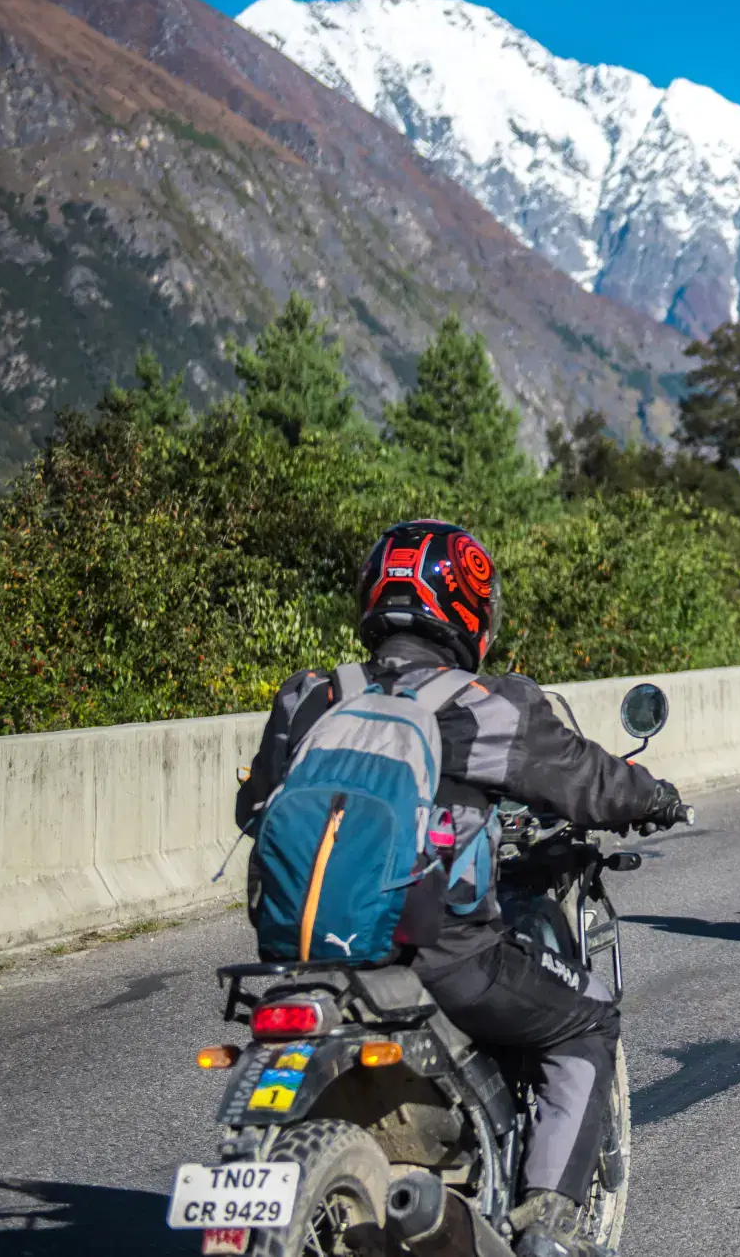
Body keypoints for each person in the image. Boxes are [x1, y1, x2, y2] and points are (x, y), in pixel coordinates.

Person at [236, 520, 686, 1257]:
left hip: (306, 956)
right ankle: (550, 1230)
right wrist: (655, 797)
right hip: (444, 956)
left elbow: (254, 808)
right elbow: (589, 781)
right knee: (589, 1018)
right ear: (469, 610)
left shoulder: (308, 697)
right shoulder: (485, 704)